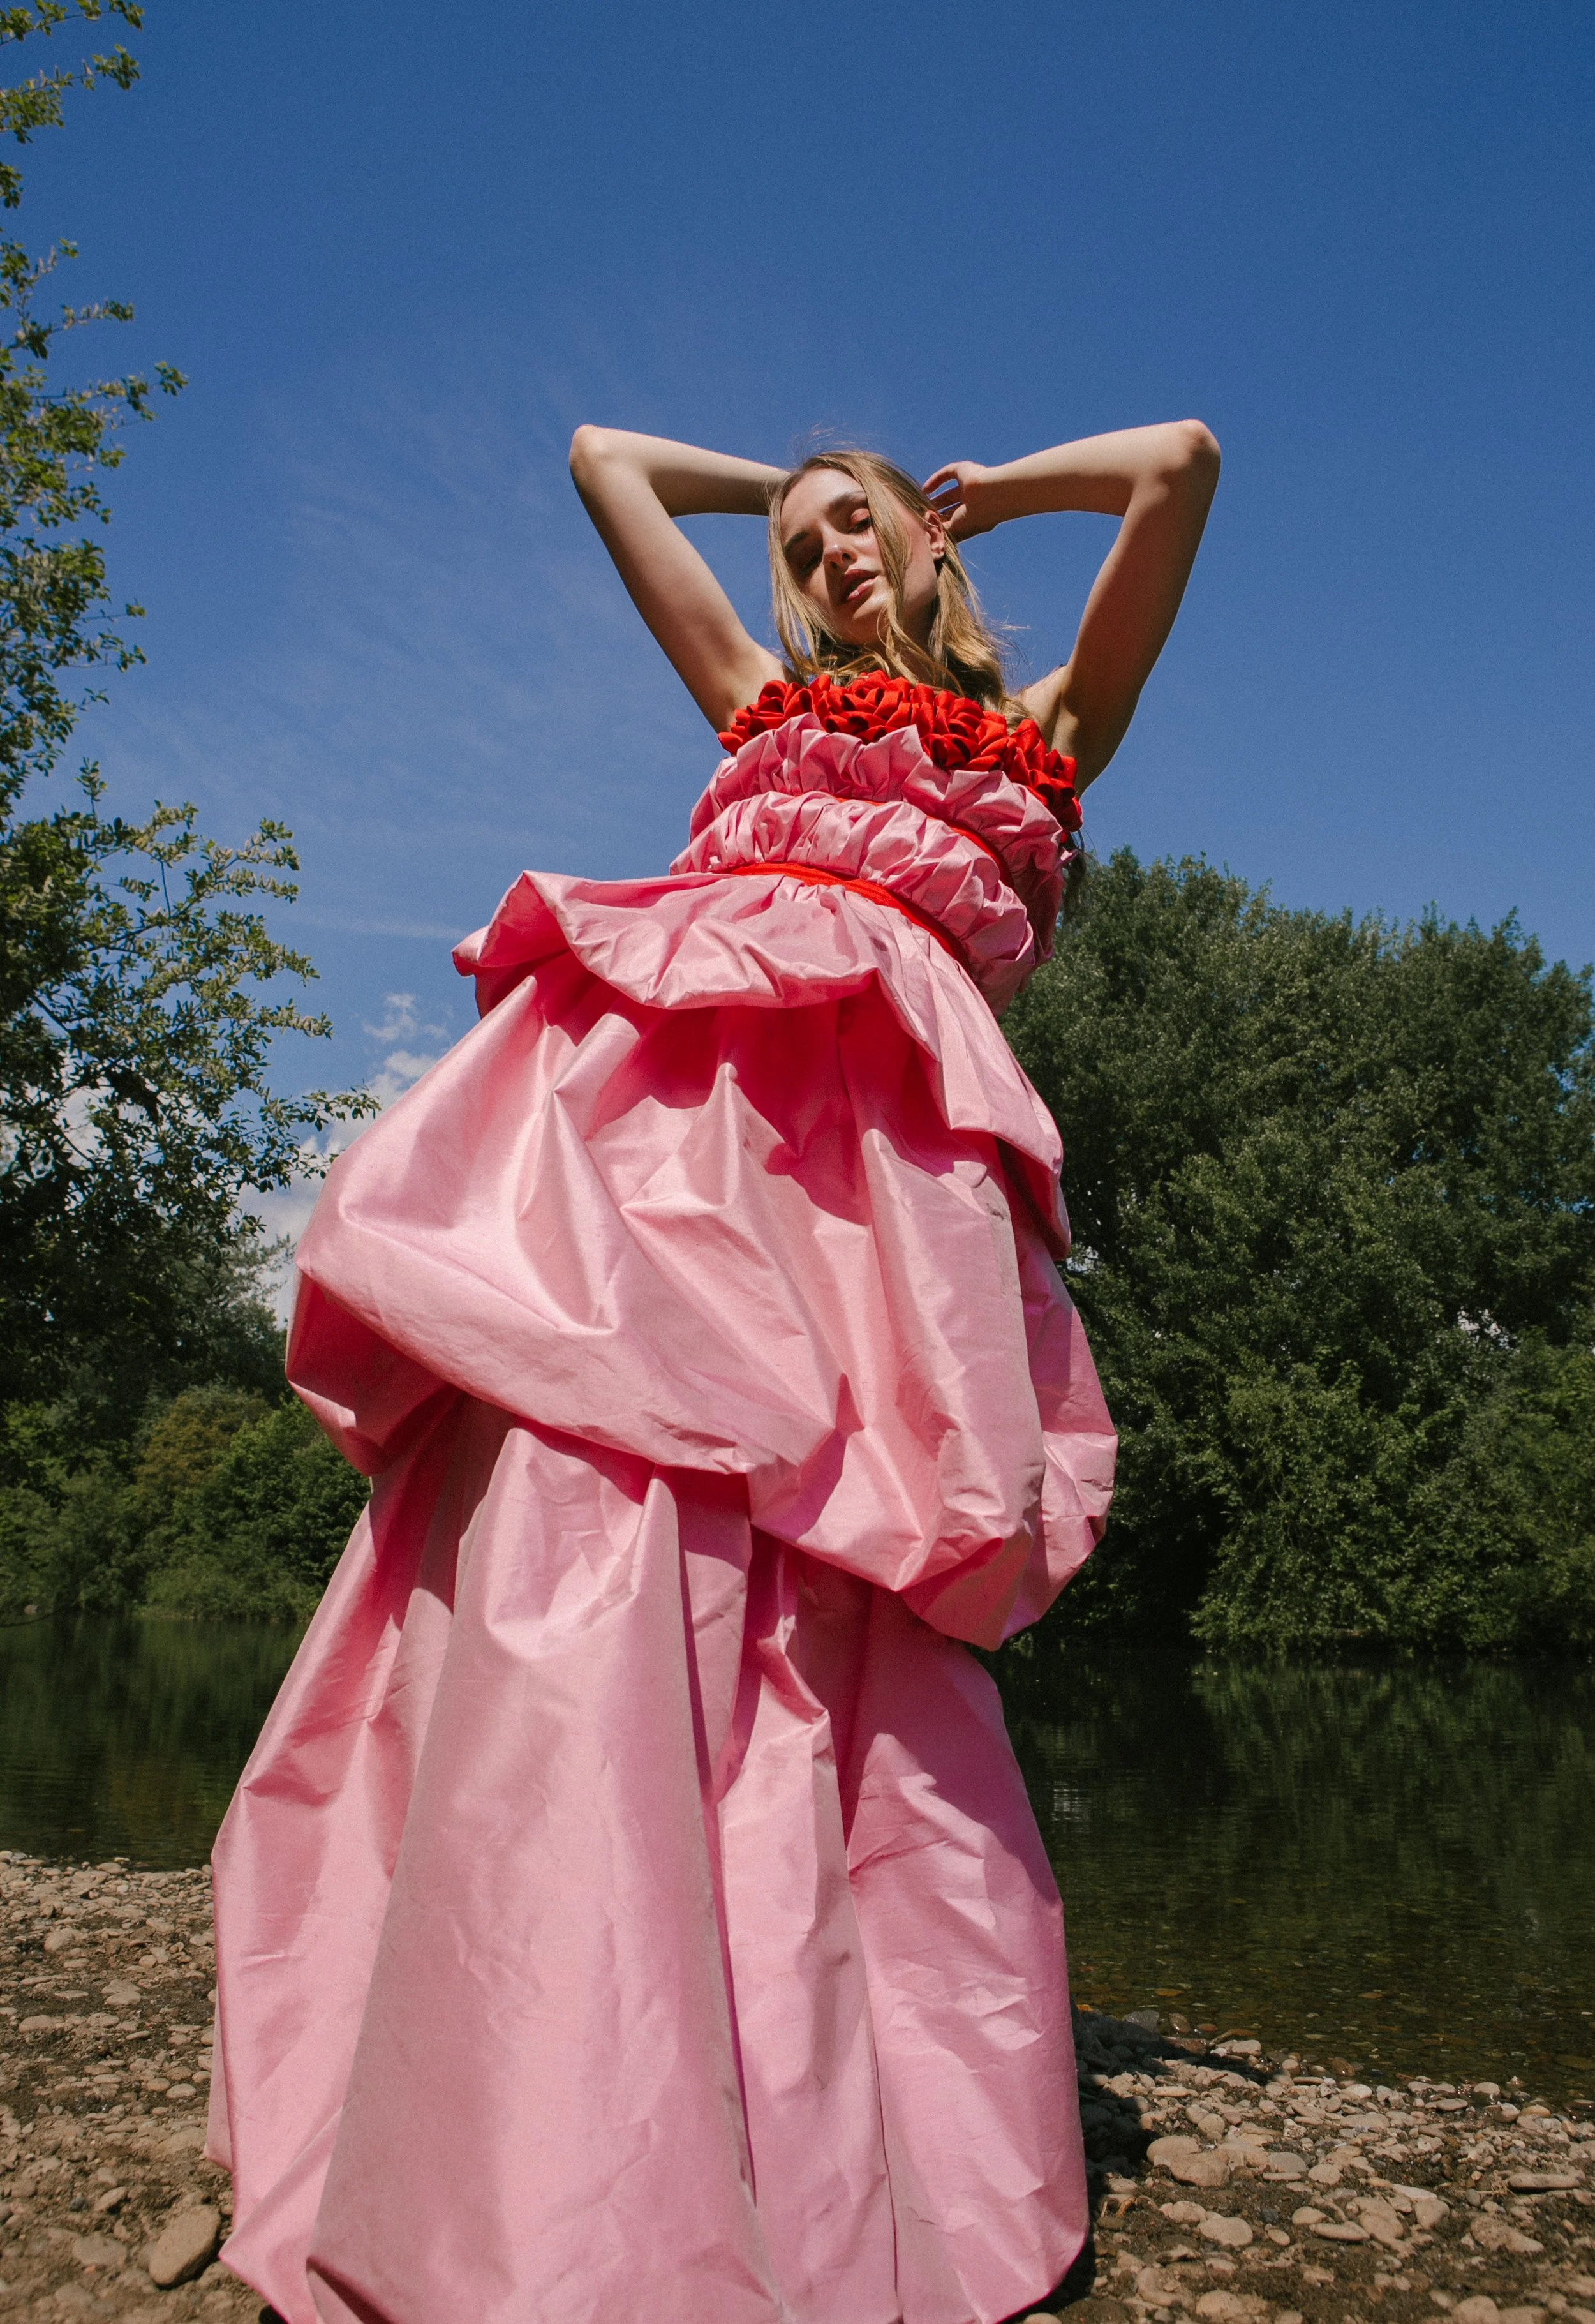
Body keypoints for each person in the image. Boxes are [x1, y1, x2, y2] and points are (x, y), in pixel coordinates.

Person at [206, 418, 1219, 2324]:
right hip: (677, 1148)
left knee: (846, 1576)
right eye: (806, 538)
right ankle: (510, 2090)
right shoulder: (758, 699)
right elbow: (598, 462)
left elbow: (1178, 468)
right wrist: (781, 479)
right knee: (594, 1496)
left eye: (866, 529)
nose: (836, 552)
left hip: (887, 1199)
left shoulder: (1055, 738)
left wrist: (970, 495)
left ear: (929, 550)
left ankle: (825, 2103)